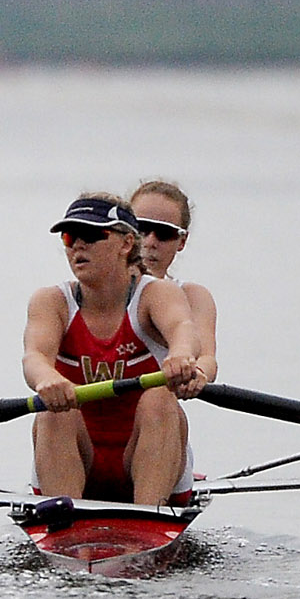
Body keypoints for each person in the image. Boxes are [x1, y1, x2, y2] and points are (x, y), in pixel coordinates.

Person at [22, 193, 208, 506]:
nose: (78, 246)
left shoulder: (156, 294)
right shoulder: (50, 302)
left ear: (125, 244)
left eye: (94, 235)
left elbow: (182, 330)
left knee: (160, 397)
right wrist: (45, 380)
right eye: (70, 238)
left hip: (147, 454)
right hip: (78, 453)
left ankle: (149, 513)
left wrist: (179, 356)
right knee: (53, 413)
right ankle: (65, 519)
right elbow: (34, 357)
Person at [129, 178, 218, 387]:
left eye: (164, 234)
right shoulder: (95, 289)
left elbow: (207, 357)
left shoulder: (193, 296)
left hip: (159, 406)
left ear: (182, 241)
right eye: (141, 229)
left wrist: (198, 372)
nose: (150, 241)